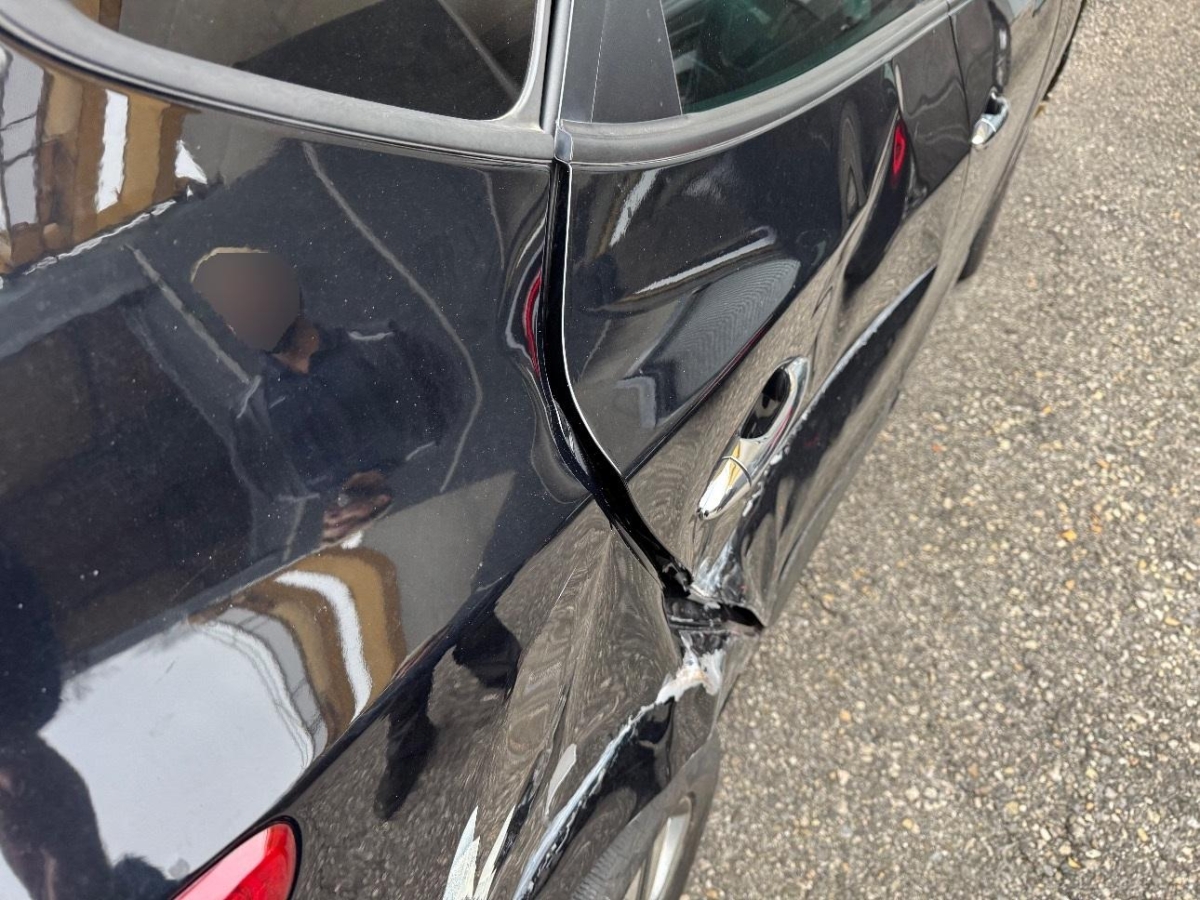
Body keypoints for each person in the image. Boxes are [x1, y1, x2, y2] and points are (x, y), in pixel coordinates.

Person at [191, 247, 447, 542]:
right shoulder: (252, 424)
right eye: (232, 311)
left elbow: (459, 429)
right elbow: (282, 517)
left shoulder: (392, 350)